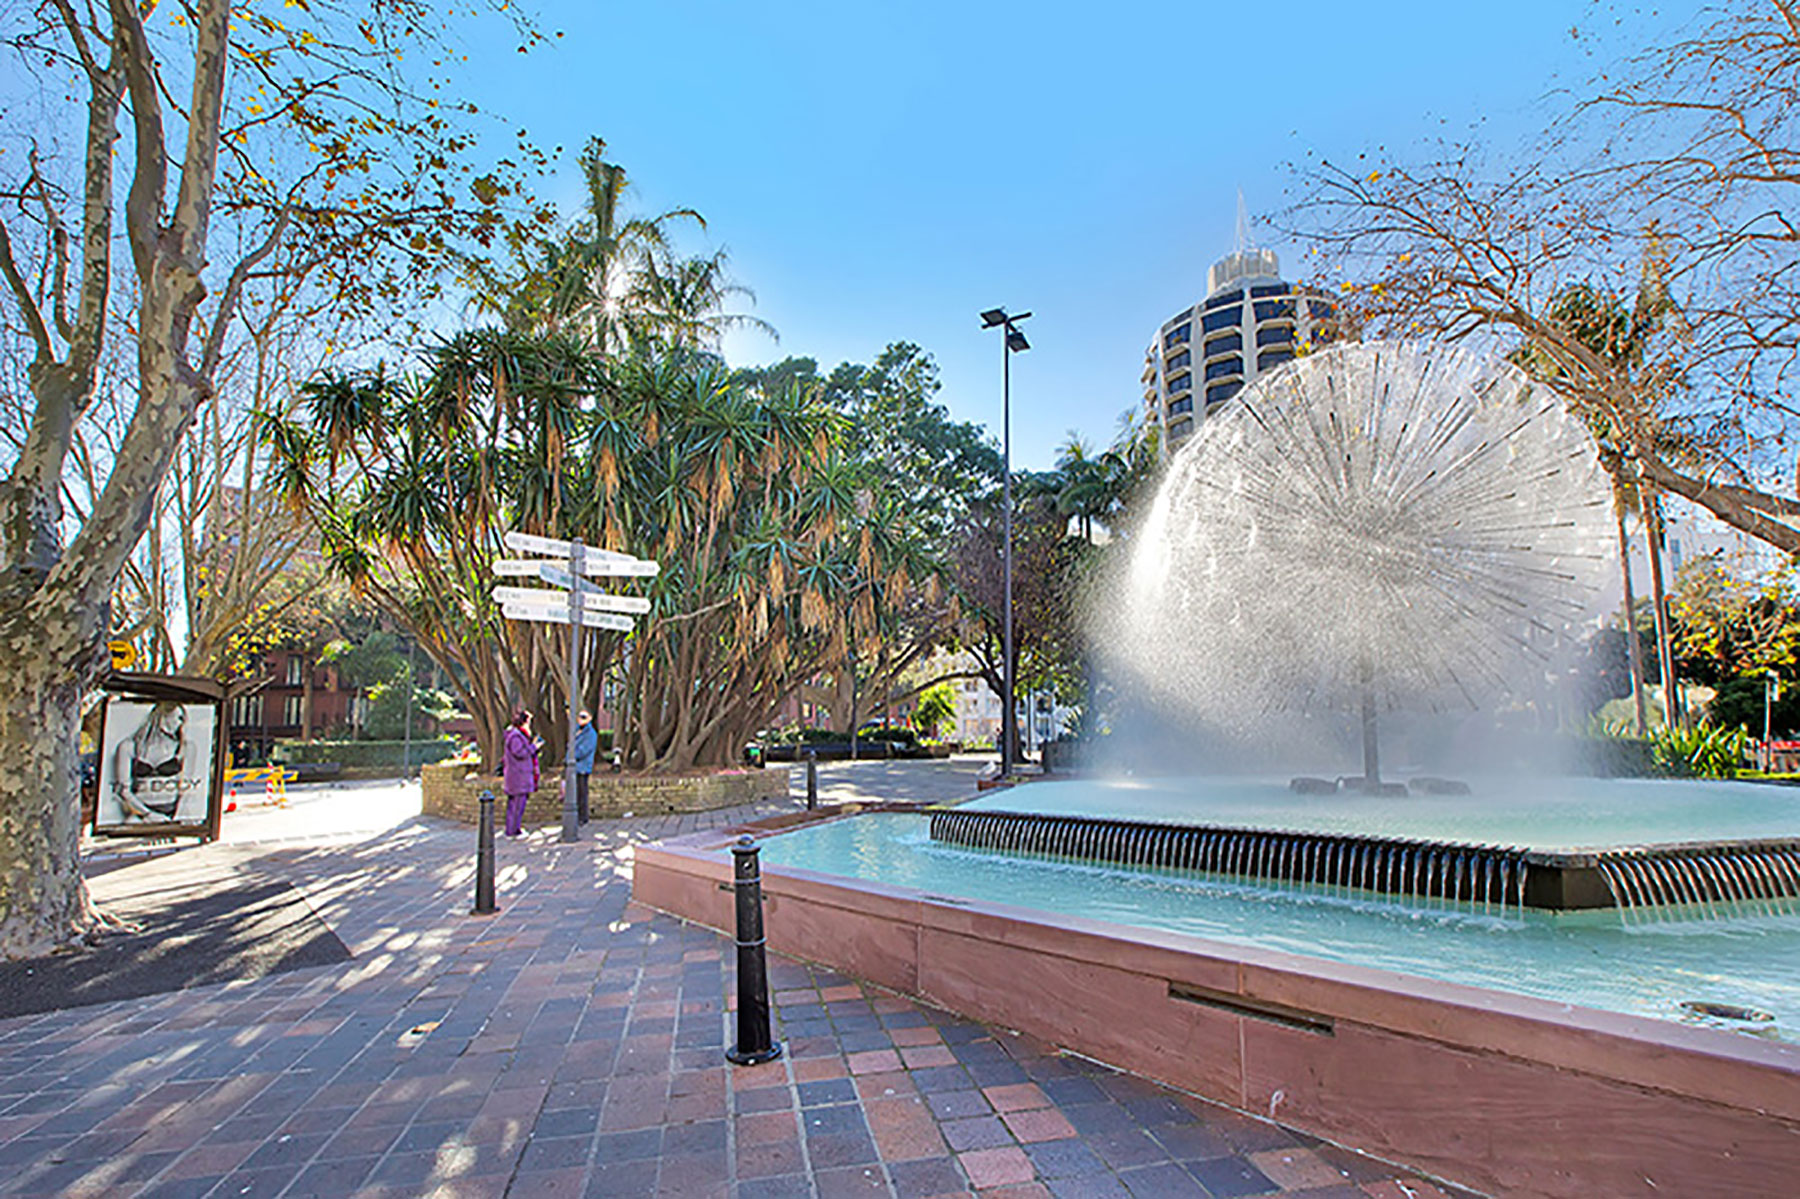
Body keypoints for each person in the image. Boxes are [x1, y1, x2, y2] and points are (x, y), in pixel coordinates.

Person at [501, 709, 540, 837]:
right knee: (516, 805)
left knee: (517, 805)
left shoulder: (516, 735)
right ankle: (512, 830)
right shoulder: (515, 736)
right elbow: (520, 753)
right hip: (518, 776)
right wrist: (534, 747)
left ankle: (514, 828)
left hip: (518, 776)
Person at [570, 709, 599, 824]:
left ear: (590, 718)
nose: (580, 719)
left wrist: (572, 756)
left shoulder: (590, 734)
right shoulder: (576, 731)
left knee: (582, 793)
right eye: (580, 716)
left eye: (584, 717)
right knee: (575, 793)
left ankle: (583, 817)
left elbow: (584, 750)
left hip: (582, 767)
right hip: (574, 767)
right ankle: (576, 815)